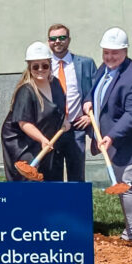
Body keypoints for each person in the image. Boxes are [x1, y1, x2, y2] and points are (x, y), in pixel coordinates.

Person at [82, 27, 132, 243]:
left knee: (128, 183)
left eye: (114, 53)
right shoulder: (104, 68)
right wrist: (88, 101)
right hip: (116, 143)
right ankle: (131, 231)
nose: (109, 57)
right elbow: (96, 89)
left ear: (125, 51)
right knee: (122, 183)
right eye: (106, 52)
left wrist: (112, 135)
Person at [1, 41, 70, 181]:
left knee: (48, 174)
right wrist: (42, 139)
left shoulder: (55, 84)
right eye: (35, 66)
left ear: (50, 65)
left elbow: (59, 109)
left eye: (44, 65)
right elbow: (24, 123)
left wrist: (65, 120)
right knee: (29, 177)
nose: (40, 69)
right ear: (29, 67)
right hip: (21, 142)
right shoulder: (26, 91)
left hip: (43, 137)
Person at [47, 23, 97, 181]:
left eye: (62, 37)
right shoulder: (42, 66)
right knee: (52, 176)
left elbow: (96, 93)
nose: (57, 41)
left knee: (77, 176)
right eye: (53, 38)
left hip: (76, 128)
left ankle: (77, 206)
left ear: (69, 40)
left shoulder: (85, 64)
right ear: (48, 42)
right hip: (52, 130)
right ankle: (55, 206)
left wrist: (91, 116)